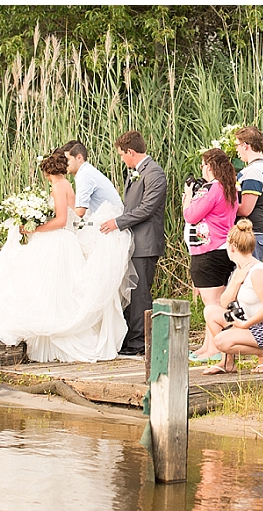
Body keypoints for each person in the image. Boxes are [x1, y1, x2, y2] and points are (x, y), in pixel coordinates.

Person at [0, 151, 132, 362]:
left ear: (47, 171)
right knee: (61, 290)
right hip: (67, 241)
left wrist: (34, 229)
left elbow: (62, 220)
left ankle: (53, 336)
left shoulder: (57, 186)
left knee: (49, 288)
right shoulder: (67, 184)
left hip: (58, 242)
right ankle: (53, 341)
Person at [100, 130, 168, 356]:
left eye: (121, 155)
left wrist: (118, 222)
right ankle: (130, 340)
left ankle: (140, 343)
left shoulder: (154, 173)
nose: (121, 159)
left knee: (140, 294)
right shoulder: (135, 172)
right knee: (132, 292)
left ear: (130, 152)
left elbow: (148, 208)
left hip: (146, 242)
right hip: (133, 241)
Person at [201, 219, 263, 375]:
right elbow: (224, 302)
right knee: (211, 312)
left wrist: (245, 325)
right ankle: (227, 362)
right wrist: (236, 280)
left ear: (232, 247)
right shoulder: (239, 269)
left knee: (220, 341)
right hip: (249, 321)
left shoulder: (257, 272)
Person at [182, 148, 238, 362]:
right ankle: (208, 345)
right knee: (214, 302)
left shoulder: (212, 189)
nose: (202, 169)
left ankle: (216, 348)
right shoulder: (229, 188)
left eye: (204, 165)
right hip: (223, 249)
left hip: (208, 250)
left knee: (212, 303)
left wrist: (188, 196)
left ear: (211, 167)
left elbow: (191, 215)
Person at [233, 126, 263, 261]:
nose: (236, 149)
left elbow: (245, 209)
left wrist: (223, 208)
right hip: (256, 234)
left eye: (237, 145)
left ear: (246, 145)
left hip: (253, 235)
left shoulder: (254, 171)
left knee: (248, 278)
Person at [60, 140, 122, 217]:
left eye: (67, 160)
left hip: (108, 222)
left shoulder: (84, 175)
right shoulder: (87, 171)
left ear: (79, 158)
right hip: (107, 218)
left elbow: (80, 212)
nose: (64, 164)